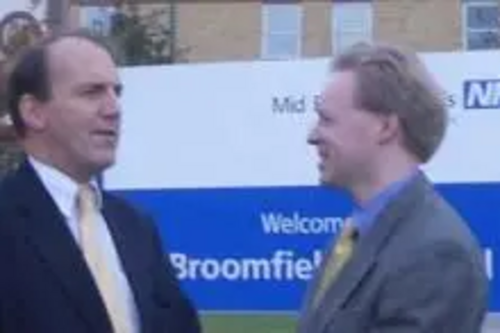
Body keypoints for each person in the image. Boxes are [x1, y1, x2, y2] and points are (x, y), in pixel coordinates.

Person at [0, 30, 201, 333]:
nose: (113, 109)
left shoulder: (135, 226)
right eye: (92, 92)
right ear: (33, 112)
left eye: (116, 92)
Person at [297, 42, 488, 333]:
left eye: (327, 119)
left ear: (385, 128)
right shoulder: (355, 234)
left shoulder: (436, 253)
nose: (312, 136)